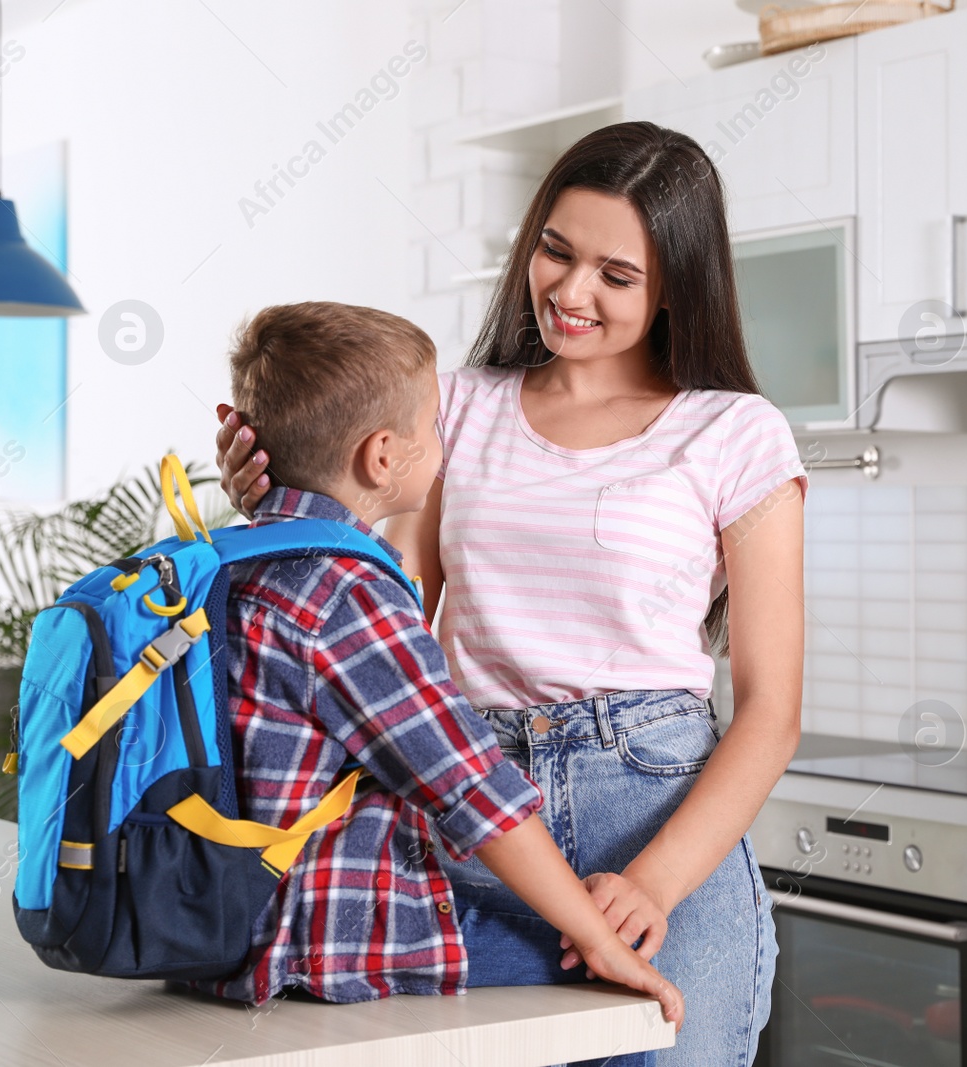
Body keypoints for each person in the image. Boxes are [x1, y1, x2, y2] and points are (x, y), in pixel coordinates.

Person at [216, 121, 805, 1066]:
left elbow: (772, 711)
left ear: (674, 288)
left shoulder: (736, 432)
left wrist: (651, 883)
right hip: (465, 813)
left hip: (656, 815)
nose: (570, 293)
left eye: (616, 276)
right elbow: (380, 610)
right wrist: (291, 500)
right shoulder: (458, 405)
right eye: (555, 252)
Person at [194, 299, 682, 1035]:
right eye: (432, 427)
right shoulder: (346, 595)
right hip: (322, 938)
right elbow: (474, 791)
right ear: (383, 456)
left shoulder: (223, 563)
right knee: (612, 993)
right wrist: (599, 937)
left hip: (223, 921)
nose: (443, 443)